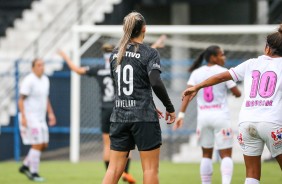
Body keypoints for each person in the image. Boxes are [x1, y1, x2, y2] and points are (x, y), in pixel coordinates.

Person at [58, 34, 167, 184]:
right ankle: (126, 172)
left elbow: (77, 70)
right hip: (129, 106)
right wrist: (156, 45)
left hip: (109, 110)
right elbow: (142, 57)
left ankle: (111, 172)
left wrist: (65, 56)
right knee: (136, 151)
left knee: (108, 146)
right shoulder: (122, 61)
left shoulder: (100, 68)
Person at [182, 25, 282, 184]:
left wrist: (198, 86)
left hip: (246, 123)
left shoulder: (251, 63)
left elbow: (222, 76)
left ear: (267, 48)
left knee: (251, 174)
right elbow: (234, 89)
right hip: (272, 123)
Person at [102, 12, 175, 184]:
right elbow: (155, 82)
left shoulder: (114, 54)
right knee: (149, 169)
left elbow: (120, 86)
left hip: (119, 116)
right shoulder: (150, 53)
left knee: (113, 170)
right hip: (143, 116)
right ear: (144, 29)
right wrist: (169, 107)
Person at [174, 45, 241, 184]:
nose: (224, 57)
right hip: (220, 116)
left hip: (203, 118)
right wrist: (235, 92)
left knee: (206, 155)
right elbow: (237, 92)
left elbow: (187, 94)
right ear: (213, 57)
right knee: (226, 155)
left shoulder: (196, 73)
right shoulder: (223, 72)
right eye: (221, 54)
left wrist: (181, 115)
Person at [18, 59, 56, 182]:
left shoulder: (45, 80)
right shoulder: (29, 81)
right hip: (31, 118)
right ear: (33, 67)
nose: (42, 67)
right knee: (38, 144)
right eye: (39, 65)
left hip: (41, 118)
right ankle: (34, 173)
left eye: (43, 65)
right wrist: (23, 117)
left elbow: (46, 98)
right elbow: (21, 100)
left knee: (44, 144)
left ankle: (25, 165)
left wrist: (50, 113)